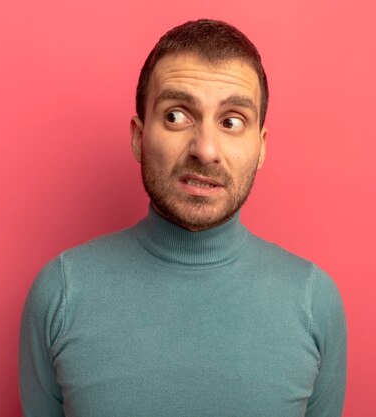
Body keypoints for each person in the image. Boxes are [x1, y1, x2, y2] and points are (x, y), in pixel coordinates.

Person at [19, 19, 347, 417]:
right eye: (177, 115)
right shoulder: (60, 293)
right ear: (139, 137)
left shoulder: (314, 301)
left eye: (231, 121)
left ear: (260, 148)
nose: (205, 149)